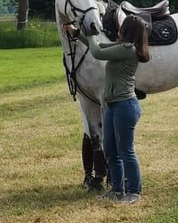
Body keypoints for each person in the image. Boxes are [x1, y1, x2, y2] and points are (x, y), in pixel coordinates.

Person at [63, 16, 150, 204]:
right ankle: (117, 190)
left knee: (126, 151)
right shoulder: (122, 47)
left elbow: (96, 52)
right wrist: (77, 33)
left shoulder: (128, 50)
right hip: (111, 106)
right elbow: (100, 47)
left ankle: (134, 191)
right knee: (110, 149)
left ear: (127, 30)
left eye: (122, 26)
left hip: (125, 106)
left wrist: (91, 32)